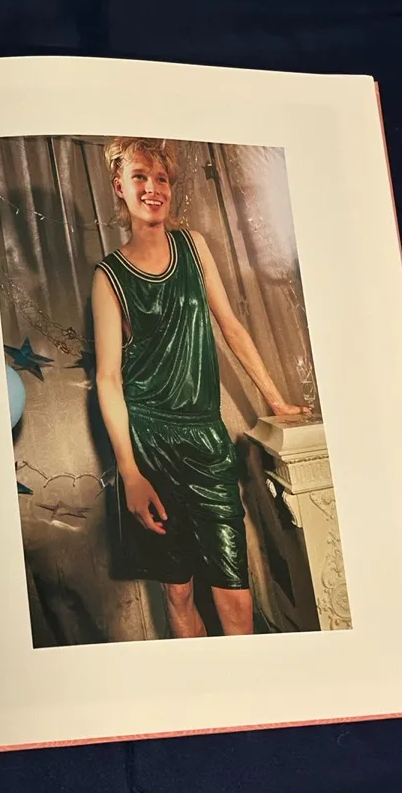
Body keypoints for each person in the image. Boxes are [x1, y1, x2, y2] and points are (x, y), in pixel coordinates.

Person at [91, 137, 308, 638]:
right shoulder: (109, 277)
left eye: (161, 178)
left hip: (206, 443)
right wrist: (130, 473)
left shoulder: (193, 247)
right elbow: (108, 378)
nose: (152, 188)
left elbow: (230, 325)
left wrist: (275, 399)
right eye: (140, 177)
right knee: (179, 592)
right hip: (150, 447)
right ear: (119, 187)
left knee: (234, 592)